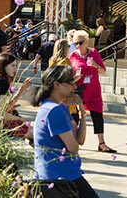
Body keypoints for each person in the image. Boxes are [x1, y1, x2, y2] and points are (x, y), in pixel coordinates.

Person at [32, 65, 99, 198]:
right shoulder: (54, 110)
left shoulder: (61, 107)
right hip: (57, 179)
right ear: (57, 84)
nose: (74, 87)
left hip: (63, 175)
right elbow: (74, 148)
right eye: (71, 83)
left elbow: (80, 140)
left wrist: (82, 112)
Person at [70, 30, 115, 153]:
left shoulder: (94, 53)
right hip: (79, 91)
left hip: (93, 91)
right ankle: (73, 143)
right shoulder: (73, 56)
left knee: (98, 117)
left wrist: (95, 65)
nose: (78, 46)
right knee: (74, 117)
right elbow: (68, 76)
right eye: (75, 43)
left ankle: (101, 144)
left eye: (80, 42)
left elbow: (103, 71)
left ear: (86, 42)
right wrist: (75, 78)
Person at [0, 53, 33, 139]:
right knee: (36, 133)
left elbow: (6, 108)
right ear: (3, 66)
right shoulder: (1, 82)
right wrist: (20, 119)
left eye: (15, 65)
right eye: (12, 65)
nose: (15, 69)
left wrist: (21, 90)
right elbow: (2, 114)